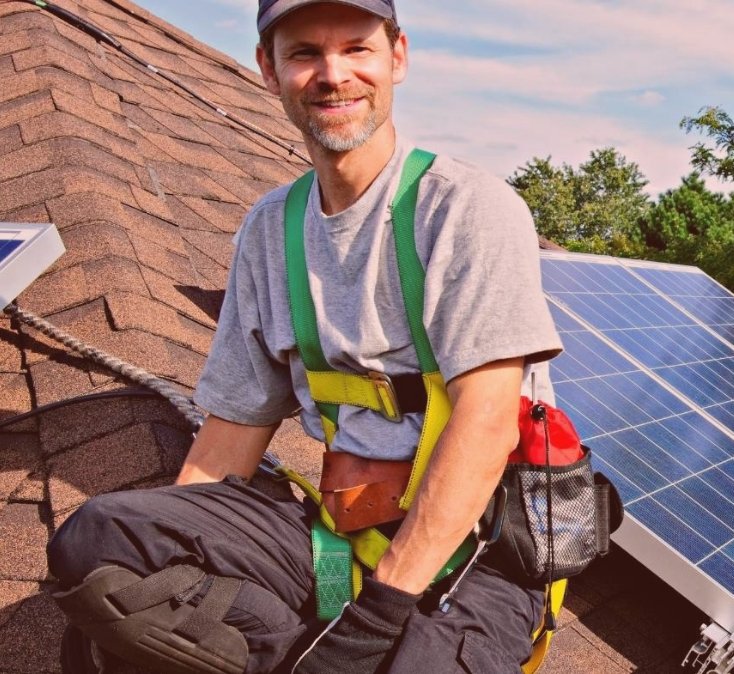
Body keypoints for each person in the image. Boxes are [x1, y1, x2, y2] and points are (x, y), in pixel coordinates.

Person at [48, 1, 563, 672]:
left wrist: (376, 620)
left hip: (481, 556)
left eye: (357, 48)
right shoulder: (271, 230)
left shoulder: (465, 209)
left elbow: (488, 425)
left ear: (397, 57)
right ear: (269, 69)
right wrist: (172, 563)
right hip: (338, 546)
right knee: (102, 549)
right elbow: (229, 434)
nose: (333, 74)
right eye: (304, 54)